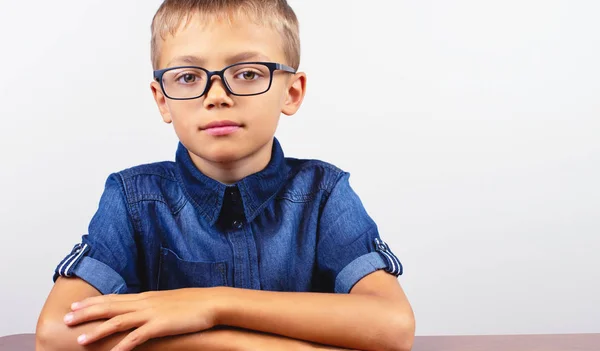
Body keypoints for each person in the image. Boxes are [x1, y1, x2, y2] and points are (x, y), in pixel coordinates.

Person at [35, 1, 415, 350]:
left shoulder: (325, 194)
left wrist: (211, 304)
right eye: (187, 77)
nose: (216, 96)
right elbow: (55, 335)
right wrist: (239, 343)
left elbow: (393, 326)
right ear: (162, 99)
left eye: (248, 73)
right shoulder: (132, 199)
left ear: (292, 92)